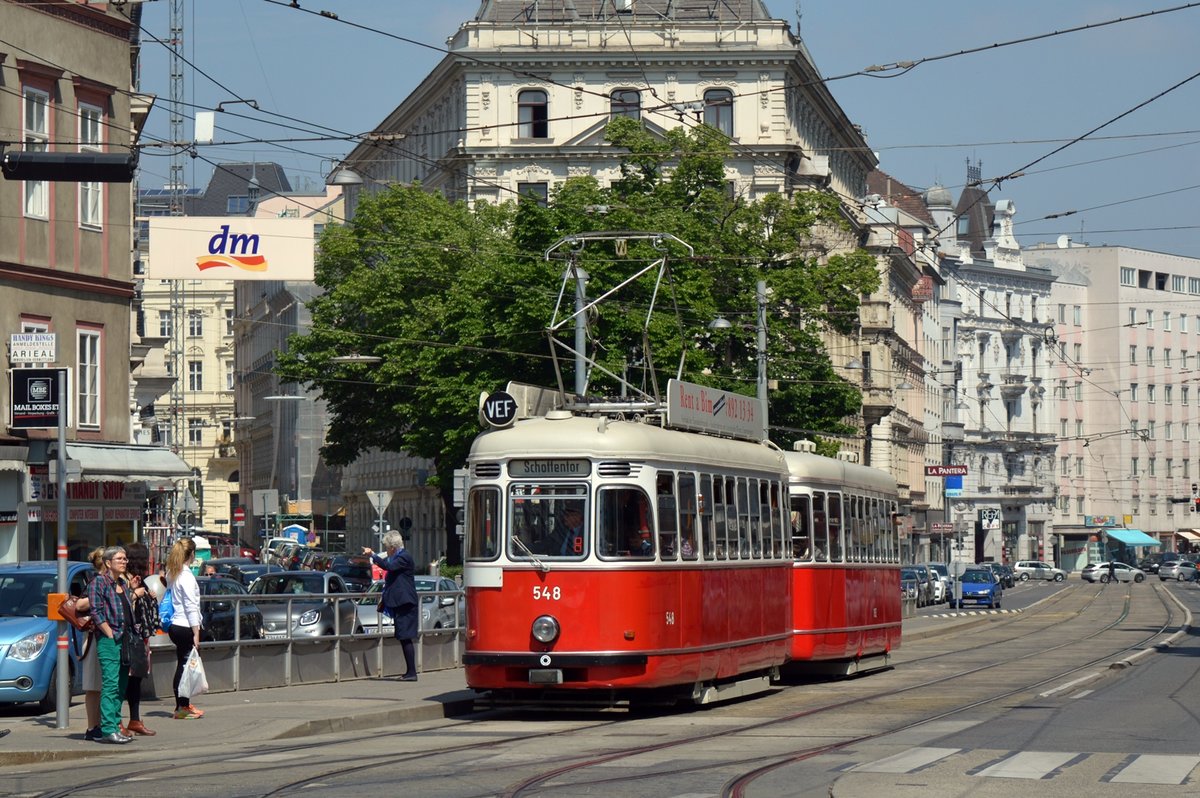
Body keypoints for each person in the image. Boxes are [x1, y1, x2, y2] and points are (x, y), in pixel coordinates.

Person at [86, 546, 132, 744]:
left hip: (126, 639)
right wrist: (109, 633)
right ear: (108, 563)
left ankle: (115, 725)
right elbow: (96, 611)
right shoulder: (99, 582)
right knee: (111, 684)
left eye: (125, 559)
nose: (124, 561)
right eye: (120, 559)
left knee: (121, 685)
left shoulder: (122, 583)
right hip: (109, 640)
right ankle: (107, 730)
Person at [362, 531, 419, 681]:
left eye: (387, 547)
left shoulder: (403, 557)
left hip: (405, 602)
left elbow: (388, 566)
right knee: (403, 636)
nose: (386, 550)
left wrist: (373, 555)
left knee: (405, 637)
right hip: (402, 602)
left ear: (393, 547)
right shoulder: (399, 556)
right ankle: (410, 672)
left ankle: (412, 673)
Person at [122, 542, 158, 736]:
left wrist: (149, 596)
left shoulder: (138, 579)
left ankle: (135, 719)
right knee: (124, 680)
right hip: (129, 637)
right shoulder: (124, 579)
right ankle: (119, 721)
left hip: (139, 636)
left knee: (135, 680)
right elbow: (122, 603)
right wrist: (136, 594)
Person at [165, 537, 204, 719]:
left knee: (182, 663)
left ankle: (182, 705)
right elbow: (191, 606)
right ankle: (182, 706)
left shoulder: (172, 573)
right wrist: (196, 632)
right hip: (184, 625)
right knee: (185, 666)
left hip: (174, 624)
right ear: (192, 554)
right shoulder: (186, 576)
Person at [81, 547, 105, 741]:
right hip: (94, 637)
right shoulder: (96, 582)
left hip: (100, 637)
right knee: (93, 684)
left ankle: (99, 724)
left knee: (102, 684)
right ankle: (92, 726)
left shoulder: (106, 582)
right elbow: (81, 605)